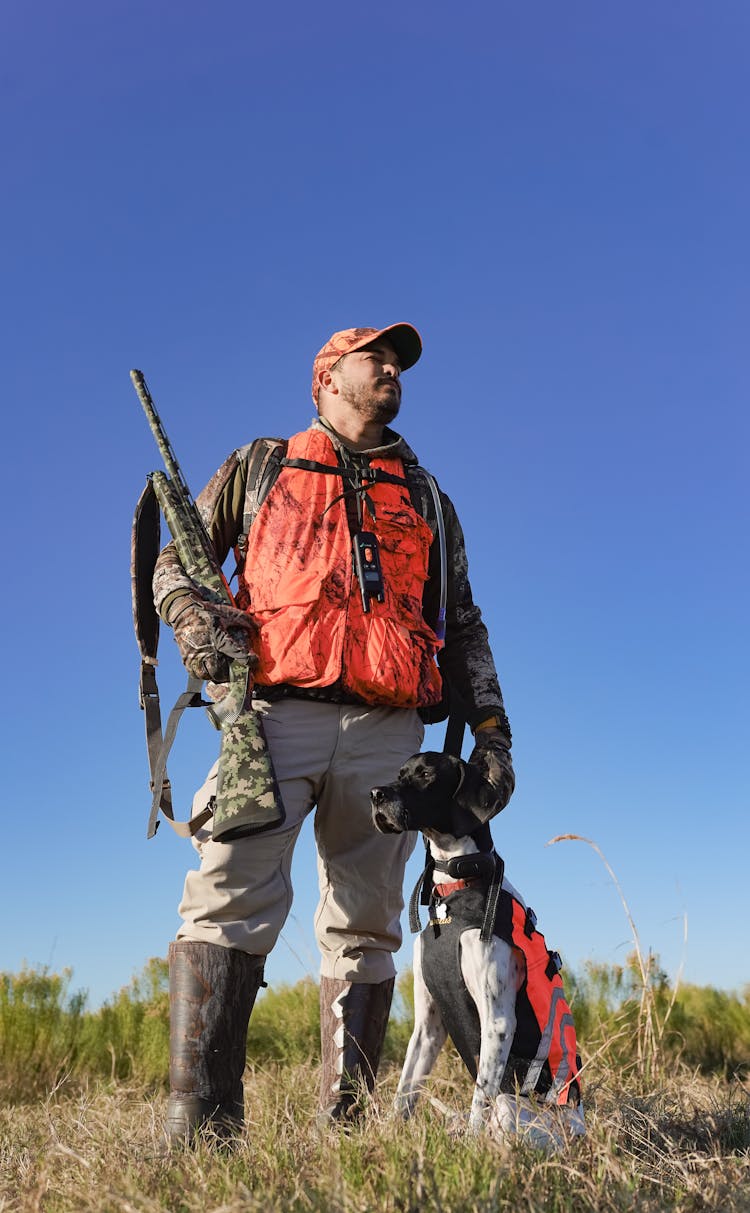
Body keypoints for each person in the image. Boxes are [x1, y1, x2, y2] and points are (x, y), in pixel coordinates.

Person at [152, 323, 515, 1144]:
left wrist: (492, 730)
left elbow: (461, 625)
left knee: (369, 920)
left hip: (391, 732)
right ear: (326, 378)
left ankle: (345, 1125)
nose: (390, 369)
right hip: (275, 716)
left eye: (398, 362)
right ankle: (201, 1125)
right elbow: (176, 562)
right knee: (226, 896)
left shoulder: (427, 498)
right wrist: (197, 626)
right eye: (373, 357)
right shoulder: (260, 465)